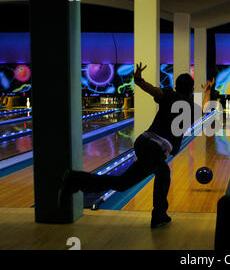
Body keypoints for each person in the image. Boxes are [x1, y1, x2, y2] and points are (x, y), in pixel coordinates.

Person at [59, 63, 214, 228]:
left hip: (144, 142)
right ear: (191, 90)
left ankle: (75, 180)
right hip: (154, 150)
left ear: (176, 86)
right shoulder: (192, 108)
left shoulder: (169, 94)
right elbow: (205, 107)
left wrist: (139, 80)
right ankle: (74, 179)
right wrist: (207, 91)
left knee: (145, 178)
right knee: (143, 178)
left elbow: (153, 90)